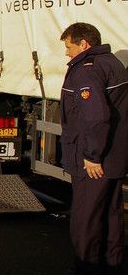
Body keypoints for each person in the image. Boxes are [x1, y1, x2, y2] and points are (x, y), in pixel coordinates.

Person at [59, 22, 127, 275]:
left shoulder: (85, 71)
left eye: (69, 46)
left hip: (94, 161)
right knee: (111, 216)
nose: (66, 53)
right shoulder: (113, 63)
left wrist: (91, 156)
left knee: (85, 219)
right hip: (114, 157)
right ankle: (113, 265)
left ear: (83, 44)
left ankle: (86, 268)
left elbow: (97, 117)